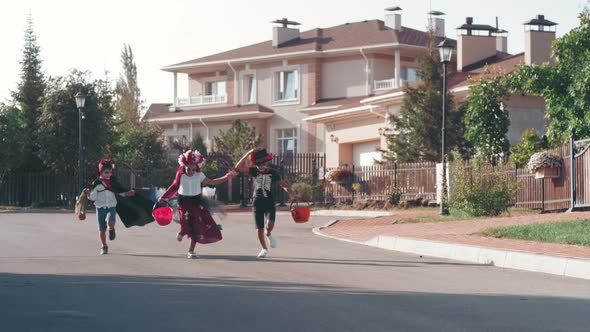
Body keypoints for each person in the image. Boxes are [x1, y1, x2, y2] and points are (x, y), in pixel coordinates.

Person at [158, 150, 236, 259]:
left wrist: (226, 177)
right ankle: (182, 232)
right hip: (183, 202)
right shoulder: (180, 175)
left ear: (197, 168)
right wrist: (164, 197)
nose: (191, 171)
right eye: (188, 169)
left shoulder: (199, 175)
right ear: (184, 166)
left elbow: (213, 182)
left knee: (196, 226)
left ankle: (191, 251)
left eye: (193, 169)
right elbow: (174, 187)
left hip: (196, 202)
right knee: (185, 223)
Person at [235, 148, 298, 258]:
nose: (261, 166)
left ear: (266, 162)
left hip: (269, 202)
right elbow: (238, 167)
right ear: (256, 164)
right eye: (258, 164)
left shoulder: (273, 173)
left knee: (269, 225)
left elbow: (283, 184)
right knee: (259, 229)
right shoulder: (254, 171)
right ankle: (264, 248)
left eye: (263, 164)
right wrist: (249, 153)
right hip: (257, 202)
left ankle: (268, 234)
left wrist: (292, 193)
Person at [85, 158, 135, 255]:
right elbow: (93, 197)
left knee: (110, 221)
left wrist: (127, 193)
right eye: (106, 172)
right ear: (101, 172)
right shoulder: (96, 183)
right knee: (101, 230)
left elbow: (119, 192)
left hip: (111, 206)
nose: (109, 174)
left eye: (110, 172)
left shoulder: (113, 182)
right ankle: (104, 245)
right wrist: (88, 194)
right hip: (100, 208)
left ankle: (111, 229)